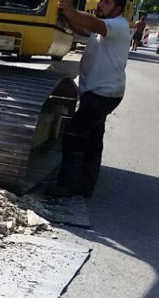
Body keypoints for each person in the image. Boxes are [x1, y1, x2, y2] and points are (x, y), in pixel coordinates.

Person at [53, 0, 129, 198]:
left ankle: (66, 186)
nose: (100, 4)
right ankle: (86, 187)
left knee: (74, 134)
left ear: (118, 9)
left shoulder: (117, 25)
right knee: (94, 139)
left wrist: (70, 10)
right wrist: (67, 17)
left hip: (103, 94)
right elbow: (83, 28)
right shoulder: (103, 26)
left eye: (107, 2)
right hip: (97, 92)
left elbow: (92, 24)